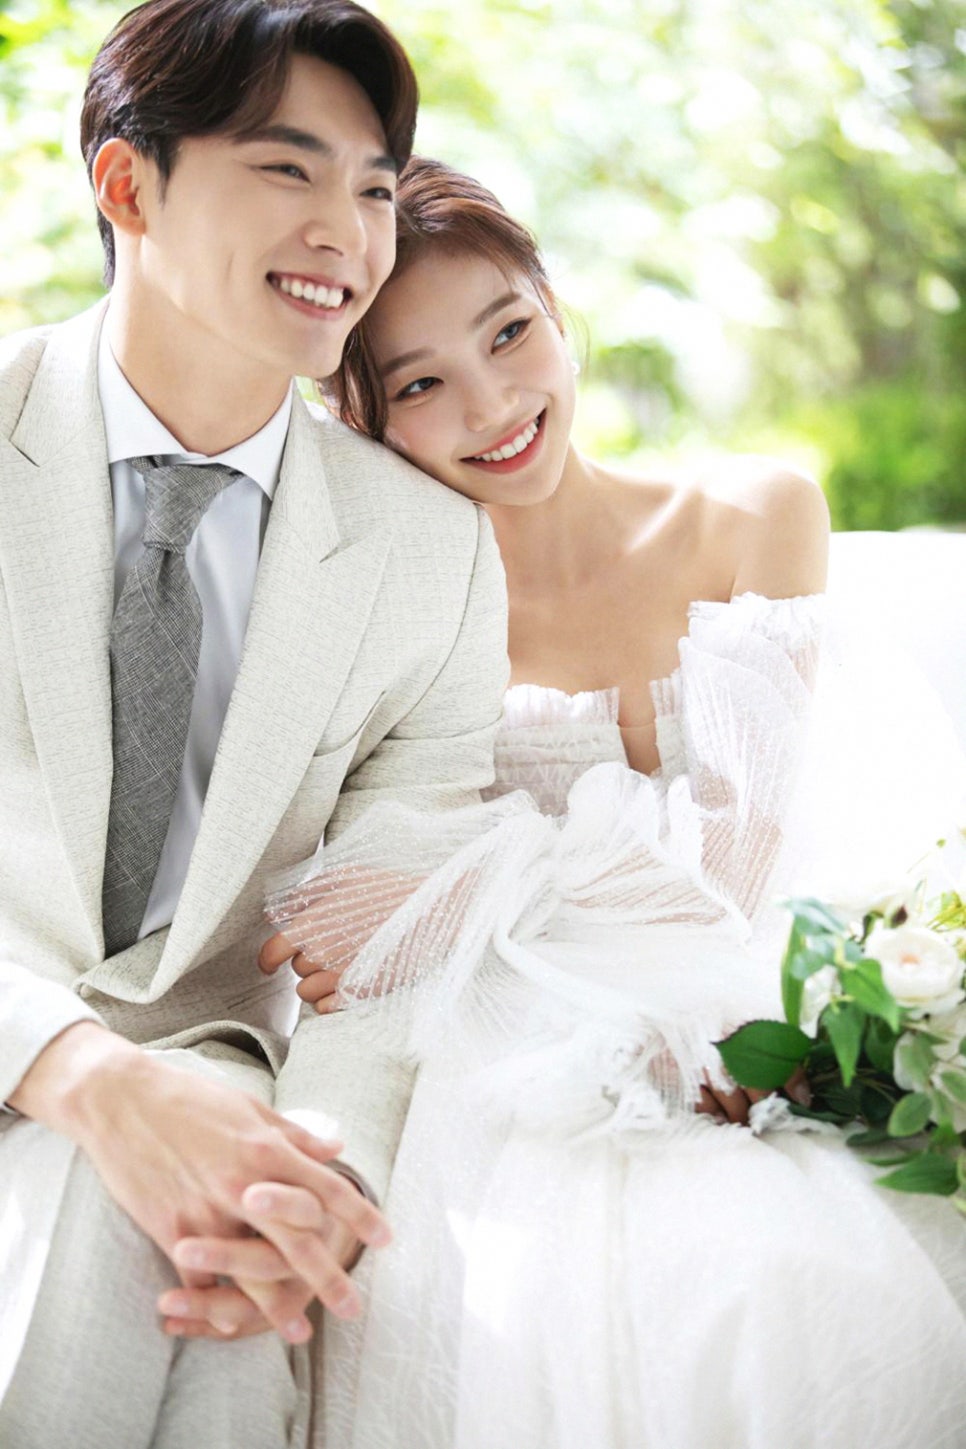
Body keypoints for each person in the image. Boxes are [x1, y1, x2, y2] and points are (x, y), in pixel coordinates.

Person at [259, 158, 966, 1447]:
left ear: (556, 307)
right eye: (419, 384)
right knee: (570, 1289)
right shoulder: (404, 622)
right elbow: (336, 898)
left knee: (805, 1283)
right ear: (361, 418)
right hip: (518, 1035)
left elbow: (728, 862)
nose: (493, 404)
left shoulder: (753, 514)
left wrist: (443, 889)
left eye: (508, 332)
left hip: (749, 977)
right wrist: (425, 897)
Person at [0, 10, 509, 1446]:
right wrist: (77, 1070)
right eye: (288, 169)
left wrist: (315, 1180)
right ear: (128, 187)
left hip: (215, 1080)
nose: (345, 230)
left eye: (372, 186)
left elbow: (386, 933)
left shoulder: (431, 554)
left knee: (229, 1302)